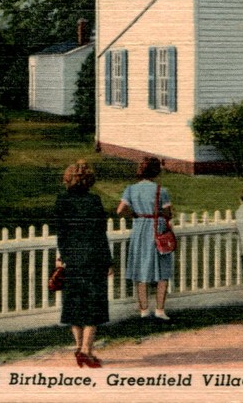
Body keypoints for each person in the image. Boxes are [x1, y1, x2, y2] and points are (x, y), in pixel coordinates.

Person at [54, 160, 113, 369]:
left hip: (72, 259)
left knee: (74, 304)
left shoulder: (61, 201)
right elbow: (100, 233)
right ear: (89, 180)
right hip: (94, 258)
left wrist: (62, 256)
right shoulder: (94, 201)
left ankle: (79, 347)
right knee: (92, 304)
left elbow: (61, 233)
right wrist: (108, 261)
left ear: (67, 179)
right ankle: (87, 350)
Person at [116, 156, 174, 321]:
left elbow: (120, 210)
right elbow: (168, 213)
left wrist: (134, 214)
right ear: (156, 171)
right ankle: (160, 310)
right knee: (162, 270)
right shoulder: (161, 190)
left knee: (141, 269)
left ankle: (143, 310)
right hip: (157, 228)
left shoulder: (131, 189)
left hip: (140, 228)